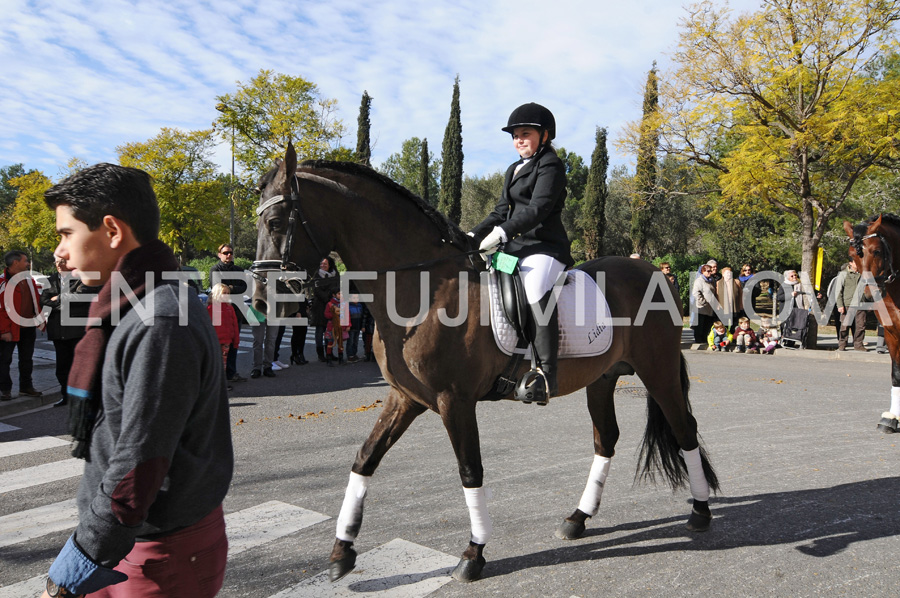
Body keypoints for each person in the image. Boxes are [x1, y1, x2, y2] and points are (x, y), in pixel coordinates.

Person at [42, 162, 233, 597]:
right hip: (131, 542)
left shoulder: (159, 317)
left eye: (66, 233)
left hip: (157, 553)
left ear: (111, 230)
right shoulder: (135, 302)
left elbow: (138, 463)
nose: (60, 252)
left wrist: (70, 573)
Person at [469, 102, 573, 398]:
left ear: (545, 135)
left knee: (535, 287)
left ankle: (546, 375)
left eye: (525, 134)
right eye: (515, 135)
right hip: (515, 247)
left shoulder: (550, 164)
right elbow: (501, 210)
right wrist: (473, 234)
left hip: (544, 247)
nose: (519, 140)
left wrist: (502, 233)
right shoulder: (514, 169)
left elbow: (540, 208)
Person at [40, 257, 101, 407]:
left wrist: (58, 299)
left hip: (77, 330)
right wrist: (64, 301)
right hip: (58, 331)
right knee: (62, 367)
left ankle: (82, 397)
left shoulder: (83, 277)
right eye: (56, 262)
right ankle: (66, 395)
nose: (59, 265)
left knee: (80, 366)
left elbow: (82, 297)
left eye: (62, 262)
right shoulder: (51, 279)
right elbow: (44, 300)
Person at [0, 250, 44, 401]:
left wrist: (39, 319)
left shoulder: (29, 279)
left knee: (26, 359)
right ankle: (5, 389)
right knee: (4, 360)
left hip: (28, 327)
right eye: (25, 261)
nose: (28, 263)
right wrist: (4, 330)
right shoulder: (2, 282)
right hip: (9, 330)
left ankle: (26, 387)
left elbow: (35, 300)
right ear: (15, 263)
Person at [210, 243, 248, 383]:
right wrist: (233, 288)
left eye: (230, 252)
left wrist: (229, 288)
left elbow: (244, 287)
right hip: (220, 312)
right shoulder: (215, 269)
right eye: (225, 253)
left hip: (235, 311)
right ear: (219, 254)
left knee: (235, 344)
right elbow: (216, 288)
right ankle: (218, 376)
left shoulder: (239, 270)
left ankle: (231, 373)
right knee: (219, 345)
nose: (228, 255)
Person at [207, 283, 240, 390]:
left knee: (223, 363)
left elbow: (234, 325)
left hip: (226, 340)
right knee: (216, 363)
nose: (226, 295)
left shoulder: (229, 308)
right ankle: (217, 384)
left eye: (227, 293)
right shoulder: (212, 308)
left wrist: (236, 340)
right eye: (223, 293)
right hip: (216, 341)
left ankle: (220, 383)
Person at [308, 256, 340, 363]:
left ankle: (329, 353)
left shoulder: (335, 274)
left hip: (332, 306)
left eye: (325, 264)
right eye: (321, 264)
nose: (323, 265)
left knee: (330, 331)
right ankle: (320, 354)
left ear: (329, 264)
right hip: (319, 307)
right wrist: (328, 297)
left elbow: (337, 288)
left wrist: (333, 299)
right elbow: (316, 290)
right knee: (320, 330)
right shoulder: (316, 275)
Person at [836, 260, 868, 351]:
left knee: (861, 325)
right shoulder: (843, 274)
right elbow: (838, 290)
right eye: (856, 262)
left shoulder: (864, 274)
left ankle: (858, 345)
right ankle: (842, 344)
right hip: (847, 304)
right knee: (845, 325)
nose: (858, 264)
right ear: (850, 263)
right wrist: (840, 305)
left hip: (861, 304)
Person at [248, 304, 278, 378]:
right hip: (258, 312)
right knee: (258, 341)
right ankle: (256, 367)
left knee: (271, 341)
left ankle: (268, 366)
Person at [691, 264, 717, 344]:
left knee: (707, 324)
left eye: (711, 271)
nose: (710, 272)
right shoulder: (699, 281)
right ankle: (698, 340)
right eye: (708, 271)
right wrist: (703, 302)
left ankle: (705, 339)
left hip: (710, 307)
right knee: (700, 325)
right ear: (703, 271)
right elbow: (696, 293)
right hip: (701, 307)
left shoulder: (711, 281)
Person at [324, 289, 349, 366]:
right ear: (334, 295)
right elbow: (326, 314)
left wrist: (347, 325)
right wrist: (334, 315)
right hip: (332, 325)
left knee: (340, 342)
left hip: (341, 326)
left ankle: (341, 359)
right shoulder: (330, 304)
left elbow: (347, 315)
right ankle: (329, 359)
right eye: (338, 294)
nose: (340, 295)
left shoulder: (344, 304)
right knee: (330, 342)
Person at [716, 266, 743, 331]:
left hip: (734, 306)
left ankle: (733, 336)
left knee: (734, 323)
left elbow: (741, 294)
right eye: (727, 273)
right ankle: (725, 336)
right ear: (723, 274)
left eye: (730, 273)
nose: (729, 274)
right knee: (724, 324)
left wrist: (741, 304)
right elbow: (716, 294)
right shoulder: (718, 283)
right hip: (723, 307)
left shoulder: (736, 282)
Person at [347, 292, 364, 362]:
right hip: (351, 327)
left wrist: (362, 326)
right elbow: (347, 317)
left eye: (357, 297)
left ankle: (354, 354)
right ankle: (350, 355)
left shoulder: (360, 306)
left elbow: (362, 316)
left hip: (357, 326)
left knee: (355, 341)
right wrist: (348, 325)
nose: (356, 299)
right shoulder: (348, 306)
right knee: (350, 342)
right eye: (354, 298)